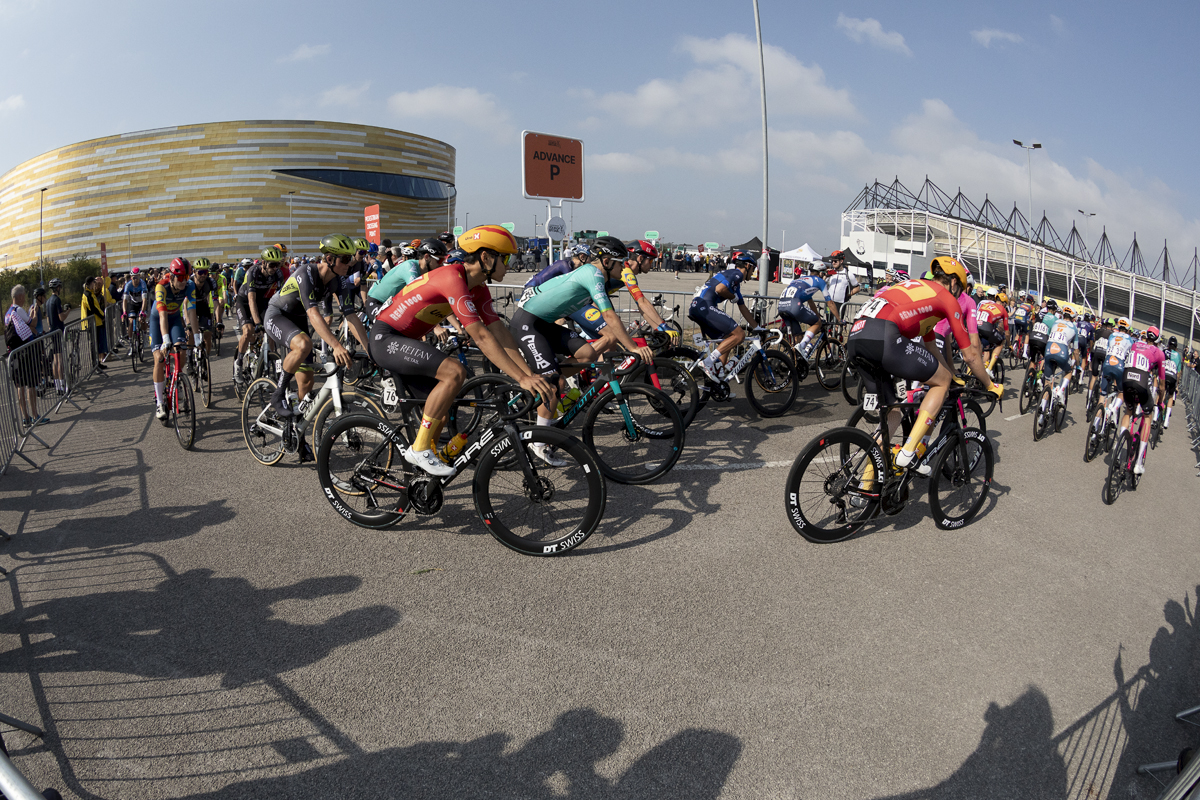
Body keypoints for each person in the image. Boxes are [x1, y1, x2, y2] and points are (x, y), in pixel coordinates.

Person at [370, 225, 556, 476]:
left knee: (440, 415)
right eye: (507, 257)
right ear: (487, 258)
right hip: (386, 338)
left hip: (405, 341)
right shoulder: (452, 277)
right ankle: (420, 448)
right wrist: (521, 378)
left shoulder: (478, 288)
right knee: (454, 372)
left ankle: (420, 477)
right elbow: (481, 335)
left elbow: (500, 333)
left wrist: (529, 374)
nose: (511, 264)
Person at [847, 257, 1000, 485]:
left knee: (893, 414)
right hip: (885, 336)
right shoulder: (947, 298)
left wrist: (952, 374)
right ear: (954, 283)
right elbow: (970, 355)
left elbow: (930, 346)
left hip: (857, 336)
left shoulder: (919, 288)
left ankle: (864, 485)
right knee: (941, 382)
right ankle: (909, 453)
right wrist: (990, 385)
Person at [513, 236, 656, 459]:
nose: (624, 267)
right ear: (607, 261)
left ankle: (545, 378)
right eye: (621, 263)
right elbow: (609, 315)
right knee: (553, 385)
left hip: (545, 323)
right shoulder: (593, 274)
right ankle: (538, 444)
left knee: (588, 354)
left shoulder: (598, 274)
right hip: (528, 323)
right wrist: (633, 347)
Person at [263, 235, 367, 446]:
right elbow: (313, 313)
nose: (350, 264)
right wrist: (336, 345)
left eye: (350, 259)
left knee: (307, 383)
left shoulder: (340, 281)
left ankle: (297, 435)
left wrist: (371, 350)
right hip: (277, 315)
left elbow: (352, 317)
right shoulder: (307, 273)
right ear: (329, 259)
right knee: (303, 344)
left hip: (298, 320)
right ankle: (278, 394)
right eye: (345, 259)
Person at [688, 252, 758, 382]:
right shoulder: (737, 274)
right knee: (739, 335)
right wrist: (732, 297)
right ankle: (708, 362)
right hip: (705, 308)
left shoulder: (732, 280)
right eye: (753, 269)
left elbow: (743, 308)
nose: (753, 272)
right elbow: (720, 289)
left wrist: (757, 327)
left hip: (697, 307)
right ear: (747, 266)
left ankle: (718, 380)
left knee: (727, 339)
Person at [151, 258, 203, 421]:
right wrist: (165, 339)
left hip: (174, 319)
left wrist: (196, 336)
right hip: (158, 320)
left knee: (181, 350)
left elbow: (192, 311)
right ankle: (160, 401)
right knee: (159, 359)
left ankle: (177, 380)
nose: (183, 282)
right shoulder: (162, 286)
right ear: (172, 276)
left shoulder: (189, 286)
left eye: (186, 277)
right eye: (180, 278)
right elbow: (161, 314)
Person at [1120, 326, 1166, 475]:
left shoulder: (1135, 344)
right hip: (1141, 382)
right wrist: (1160, 399)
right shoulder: (1159, 353)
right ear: (1158, 340)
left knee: (1129, 409)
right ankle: (1138, 463)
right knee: (1147, 416)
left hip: (1126, 379)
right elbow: (1162, 382)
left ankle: (1120, 444)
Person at [365, 238, 446, 318]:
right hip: (377, 302)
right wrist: (437, 327)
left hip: (392, 306)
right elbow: (417, 295)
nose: (442, 265)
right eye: (440, 260)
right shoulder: (410, 266)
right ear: (427, 257)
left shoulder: (428, 272)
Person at [233, 248, 283, 377]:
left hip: (262, 302)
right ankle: (238, 363)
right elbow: (251, 299)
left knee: (270, 331)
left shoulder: (278, 274)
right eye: (272, 264)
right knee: (249, 331)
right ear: (263, 263)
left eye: (277, 264)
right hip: (244, 301)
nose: (275, 268)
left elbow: (282, 297)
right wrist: (257, 323)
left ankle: (272, 361)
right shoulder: (253, 272)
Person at [777, 267, 828, 361]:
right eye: (824, 273)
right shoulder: (819, 281)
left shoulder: (802, 279)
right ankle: (803, 345)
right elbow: (830, 302)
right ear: (820, 273)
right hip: (794, 305)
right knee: (817, 324)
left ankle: (793, 364)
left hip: (781, 305)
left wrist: (817, 316)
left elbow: (811, 303)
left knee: (797, 337)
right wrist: (839, 319)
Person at [6, 285, 40, 426]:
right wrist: (35, 312)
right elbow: (33, 323)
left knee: (20, 385)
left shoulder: (8, 313)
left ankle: (25, 417)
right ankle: (34, 415)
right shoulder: (18, 310)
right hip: (26, 352)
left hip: (14, 353)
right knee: (30, 384)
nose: (25, 297)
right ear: (20, 296)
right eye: (24, 295)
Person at [80, 274, 114, 369]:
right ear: (90, 283)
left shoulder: (90, 293)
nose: (94, 285)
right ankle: (95, 364)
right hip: (92, 322)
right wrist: (102, 315)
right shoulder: (87, 294)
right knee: (94, 344)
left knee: (96, 343)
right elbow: (93, 308)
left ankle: (97, 363)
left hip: (96, 321)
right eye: (93, 283)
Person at [190, 257, 220, 354]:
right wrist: (186, 321)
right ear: (194, 271)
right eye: (200, 272)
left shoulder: (211, 282)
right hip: (191, 308)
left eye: (206, 272)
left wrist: (219, 321)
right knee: (190, 333)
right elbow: (185, 303)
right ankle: (190, 361)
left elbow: (216, 302)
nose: (203, 275)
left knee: (208, 334)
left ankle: (205, 359)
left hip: (203, 307)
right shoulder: (189, 283)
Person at [45, 278, 68, 394]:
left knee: (55, 360)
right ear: (58, 288)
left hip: (52, 331)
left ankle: (57, 385)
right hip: (58, 332)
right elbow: (61, 317)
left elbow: (48, 319)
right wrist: (68, 311)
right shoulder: (57, 300)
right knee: (59, 360)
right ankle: (63, 385)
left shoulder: (48, 301)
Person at [123, 268, 150, 354]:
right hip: (132, 304)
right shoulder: (128, 285)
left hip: (142, 304)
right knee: (130, 322)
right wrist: (124, 312)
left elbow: (145, 300)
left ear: (139, 277)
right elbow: (125, 300)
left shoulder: (143, 284)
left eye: (137, 277)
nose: (136, 280)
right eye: (134, 278)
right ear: (131, 277)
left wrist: (142, 312)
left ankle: (145, 336)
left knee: (142, 320)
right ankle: (131, 344)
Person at [1163, 335, 1183, 429]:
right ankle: (1166, 419)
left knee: (1161, 391)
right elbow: (1178, 373)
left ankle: (1155, 417)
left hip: (1164, 375)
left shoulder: (1164, 351)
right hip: (1173, 377)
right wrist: (1177, 385)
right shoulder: (1178, 356)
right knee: (1171, 396)